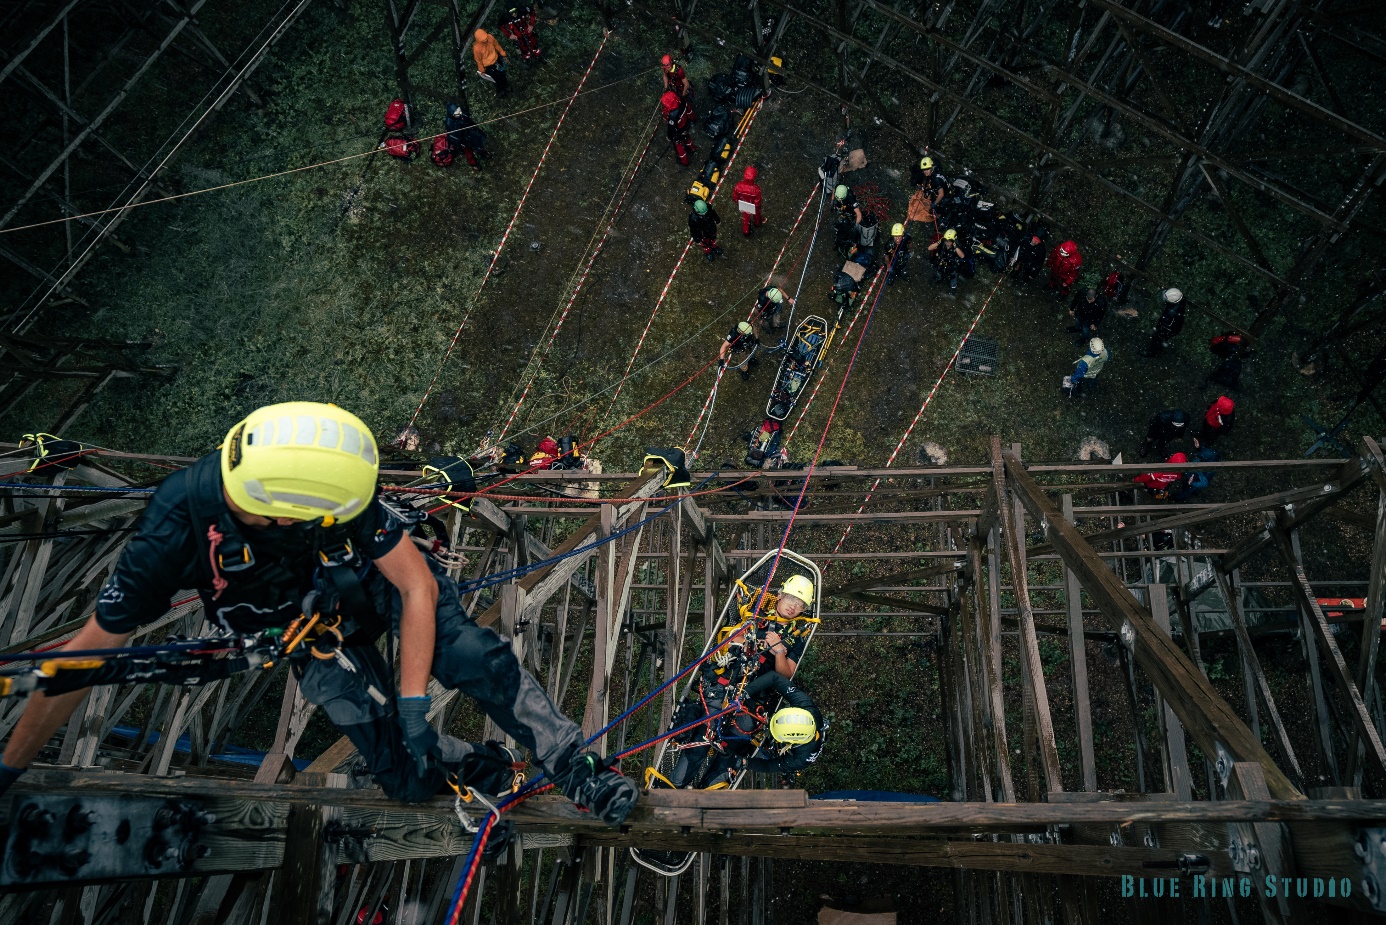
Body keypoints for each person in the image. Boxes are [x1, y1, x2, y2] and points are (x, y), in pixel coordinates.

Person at [0, 402, 639, 825]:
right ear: (284, 510)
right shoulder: (175, 528)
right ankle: (475, 765)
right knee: (401, 776)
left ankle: (571, 763)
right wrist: (9, 770)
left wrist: (413, 698)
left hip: (370, 588)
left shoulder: (332, 486)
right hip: (310, 632)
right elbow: (80, 661)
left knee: (473, 655)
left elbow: (416, 587)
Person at [742, 673, 824, 775]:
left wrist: (746, 763)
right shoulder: (806, 706)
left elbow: (769, 766)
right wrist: (745, 692)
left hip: (800, 750)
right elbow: (774, 678)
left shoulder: (800, 759)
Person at [752, 574, 815, 678]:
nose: (793, 606)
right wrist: (757, 644)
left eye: (800, 604)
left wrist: (779, 651)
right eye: (790, 598)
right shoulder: (758, 615)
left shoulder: (797, 639)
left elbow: (787, 676)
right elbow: (732, 640)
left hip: (761, 686)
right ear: (780, 595)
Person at [444, 102, 488, 170]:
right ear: (452, 114)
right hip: (463, 140)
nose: (460, 113)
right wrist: (461, 143)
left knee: (479, 143)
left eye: (460, 111)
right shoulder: (450, 123)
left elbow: (469, 121)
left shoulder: (462, 114)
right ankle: (474, 164)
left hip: (470, 133)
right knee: (469, 153)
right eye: (457, 113)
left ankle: (483, 153)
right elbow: (453, 136)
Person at [1146, 287, 1186, 357]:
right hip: (1173, 328)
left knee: (1157, 338)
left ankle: (1152, 352)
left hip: (1168, 329)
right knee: (1160, 339)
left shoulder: (1171, 313)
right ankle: (1159, 348)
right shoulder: (1178, 304)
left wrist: (1160, 329)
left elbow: (1166, 324)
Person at [662, 90, 695, 167]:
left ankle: (684, 161)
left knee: (679, 146)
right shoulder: (682, 102)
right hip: (686, 125)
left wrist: (669, 137)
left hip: (679, 131)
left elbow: (671, 129)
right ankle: (692, 148)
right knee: (687, 138)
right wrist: (692, 118)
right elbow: (689, 110)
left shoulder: (672, 117)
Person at [473, 29, 509, 95]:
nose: (486, 41)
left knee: (502, 73)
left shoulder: (490, 37)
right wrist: (482, 70)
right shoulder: (476, 48)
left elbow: (497, 45)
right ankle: (501, 90)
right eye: (484, 41)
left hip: (496, 59)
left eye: (486, 38)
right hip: (488, 66)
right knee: (495, 78)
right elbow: (478, 60)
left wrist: (503, 55)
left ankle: (506, 86)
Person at [733, 166, 765, 237]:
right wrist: (757, 206)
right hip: (753, 204)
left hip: (744, 203)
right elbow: (758, 201)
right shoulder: (756, 189)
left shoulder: (739, 186)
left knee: (746, 217)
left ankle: (746, 231)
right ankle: (757, 223)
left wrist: (738, 202)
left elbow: (735, 196)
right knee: (757, 215)